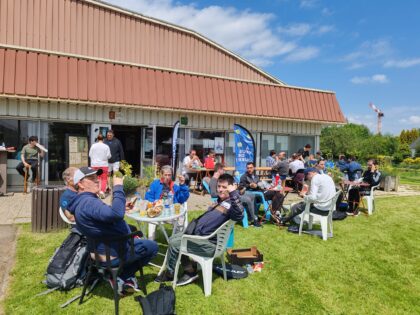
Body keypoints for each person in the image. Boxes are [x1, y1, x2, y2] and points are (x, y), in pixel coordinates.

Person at [67, 167, 158, 295]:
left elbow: (103, 215)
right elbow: (115, 214)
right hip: (113, 255)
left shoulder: (82, 202)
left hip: (97, 252)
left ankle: (118, 276)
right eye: (92, 178)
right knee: (152, 247)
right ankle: (123, 275)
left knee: (137, 238)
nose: (97, 181)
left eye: (96, 177)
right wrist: (118, 186)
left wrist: (120, 207)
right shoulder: (89, 202)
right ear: (80, 184)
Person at [155, 173, 244, 286]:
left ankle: (170, 274)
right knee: (175, 238)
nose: (220, 189)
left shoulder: (232, 204)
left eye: (224, 187)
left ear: (231, 187)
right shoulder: (220, 201)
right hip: (200, 237)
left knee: (174, 242)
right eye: (219, 186)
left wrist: (233, 193)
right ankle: (190, 270)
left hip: (209, 244)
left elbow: (239, 215)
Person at [89, 134, 111, 198]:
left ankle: (96, 192)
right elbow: (109, 156)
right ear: (103, 139)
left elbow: (90, 155)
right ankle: (102, 191)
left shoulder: (93, 146)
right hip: (103, 165)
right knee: (104, 179)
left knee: (96, 179)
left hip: (94, 165)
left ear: (97, 139)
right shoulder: (106, 146)